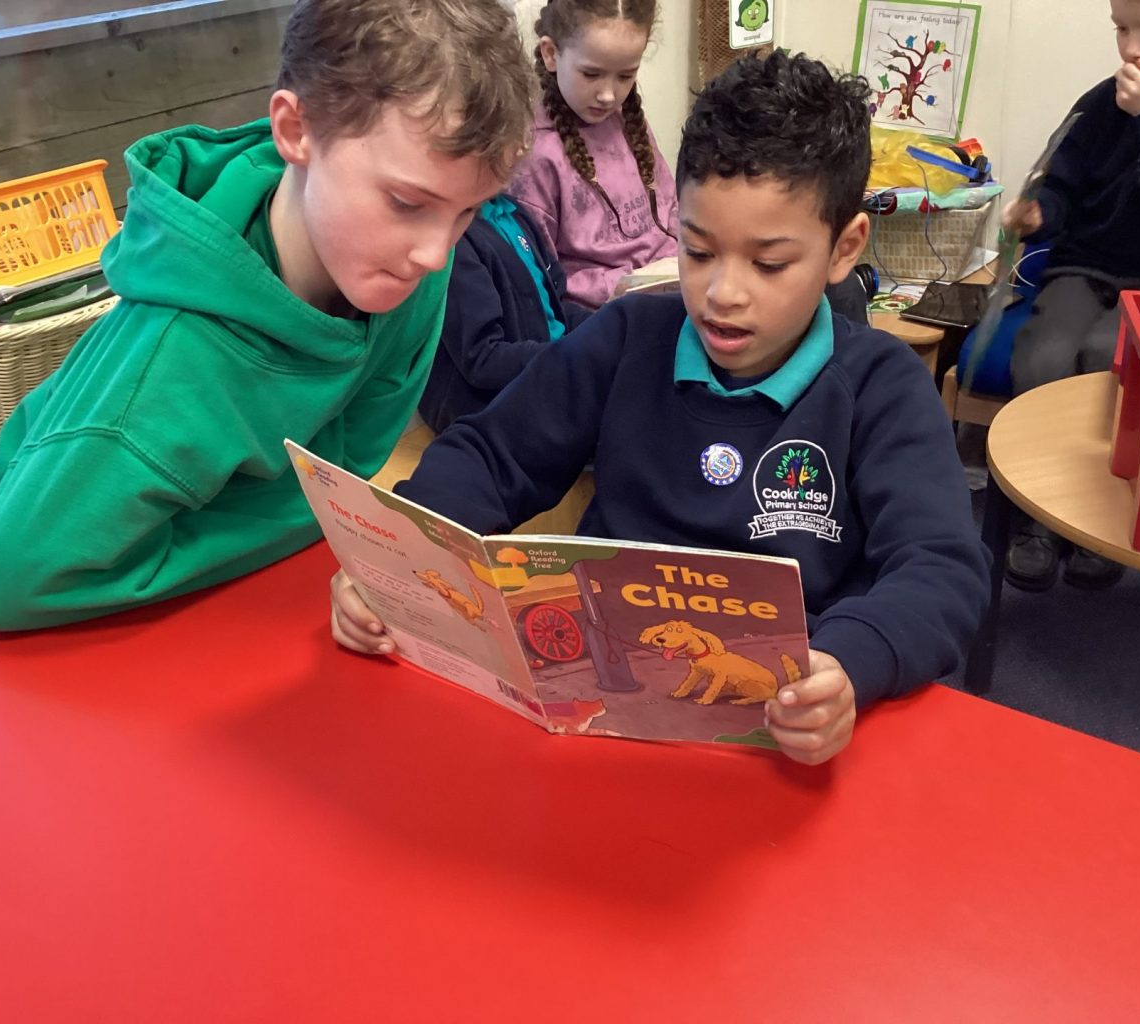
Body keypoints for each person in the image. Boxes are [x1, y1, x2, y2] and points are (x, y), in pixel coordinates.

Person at [329, 51, 990, 766]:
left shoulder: (881, 385)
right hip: (599, 708)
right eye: (698, 252)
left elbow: (941, 566)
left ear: (843, 248)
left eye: (769, 264)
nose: (722, 293)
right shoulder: (627, 337)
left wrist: (849, 664)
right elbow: (494, 453)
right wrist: (396, 557)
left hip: (783, 731)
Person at [0, 0, 533, 631]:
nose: (436, 254)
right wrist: (293, 520)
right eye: (407, 203)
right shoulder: (169, 360)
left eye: (467, 211)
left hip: (218, 590)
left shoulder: (401, 273)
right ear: (296, 131)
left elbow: (348, 464)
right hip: (26, 626)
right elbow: (4, 587)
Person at [1001, 0, 1140, 592]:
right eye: (1121, 29)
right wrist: (1040, 213)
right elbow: (1062, 181)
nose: (1132, 48)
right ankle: (1040, 517)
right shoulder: (1102, 102)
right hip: (1086, 266)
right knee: (1044, 356)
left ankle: (1099, 521)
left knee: (1110, 360)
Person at [508, 0, 678, 309]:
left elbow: (672, 211)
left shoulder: (627, 119)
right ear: (551, 54)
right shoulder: (535, 155)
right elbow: (540, 280)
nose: (608, 95)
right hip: (602, 318)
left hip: (673, 290)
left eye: (625, 76)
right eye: (591, 74)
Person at [418, 194, 593, 433]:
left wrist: (606, 327)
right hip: (492, 408)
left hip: (546, 374)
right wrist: (571, 357)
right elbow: (483, 360)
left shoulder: (511, 210)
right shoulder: (455, 239)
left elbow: (556, 309)